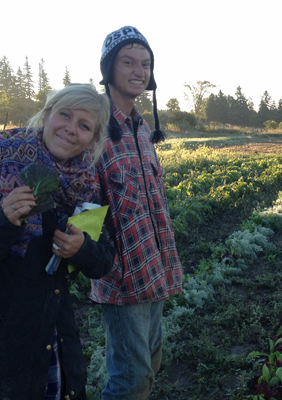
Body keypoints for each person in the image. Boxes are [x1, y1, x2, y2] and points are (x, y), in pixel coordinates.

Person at [0, 84, 115, 400]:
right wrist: (3, 227)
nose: (71, 129)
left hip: (51, 339)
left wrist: (82, 249)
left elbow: (103, 259)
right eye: (65, 115)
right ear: (47, 115)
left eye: (84, 125)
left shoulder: (85, 186)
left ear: (94, 138)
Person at [91, 26, 183, 400]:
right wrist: (98, 257)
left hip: (153, 264)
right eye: (128, 62)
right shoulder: (93, 126)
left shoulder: (142, 127)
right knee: (131, 380)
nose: (138, 71)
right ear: (109, 68)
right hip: (123, 274)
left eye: (145, 64)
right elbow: (82, 203)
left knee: (152, 362)